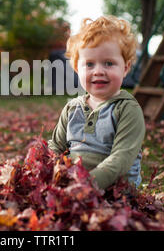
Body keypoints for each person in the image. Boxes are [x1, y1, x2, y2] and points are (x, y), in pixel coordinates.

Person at [48, 15, 145, 190]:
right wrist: (48, 172)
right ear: (77, 68)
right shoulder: (72, 108)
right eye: (90, 64)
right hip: (74, 186)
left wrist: (87, 183)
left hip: (117, 193)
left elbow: (121, 158)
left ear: (125, 68)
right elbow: (56, 148)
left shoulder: (127, 109)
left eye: (109, 63)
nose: (98, 71)